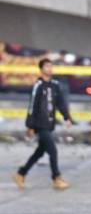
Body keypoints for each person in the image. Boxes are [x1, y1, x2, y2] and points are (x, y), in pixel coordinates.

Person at [13, 58, 73, 190]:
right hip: (39, 125)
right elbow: (32, 106)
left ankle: (21, 173)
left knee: (39, 152)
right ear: (41, 70)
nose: (50, 69)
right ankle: (56, 178)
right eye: (47, 67)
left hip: (50, 124)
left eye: (51, 66)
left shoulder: (55, 85)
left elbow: (60, 103)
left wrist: (67, 117)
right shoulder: (38, 86)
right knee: (53, 150)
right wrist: (29, 125)